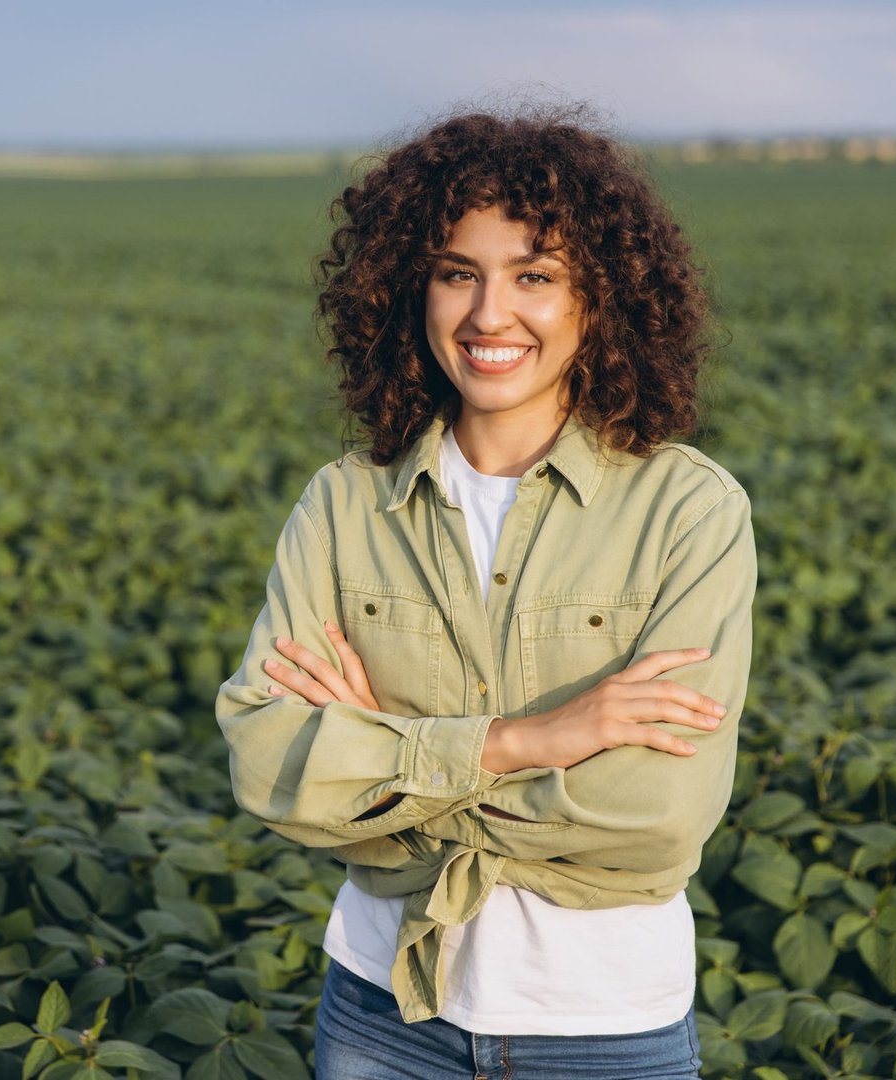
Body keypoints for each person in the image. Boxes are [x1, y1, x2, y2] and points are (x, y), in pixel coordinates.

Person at [215, 106, 756, 1080]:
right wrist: (526, 742)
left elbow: (656, 814)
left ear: (599, 297)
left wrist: (381, 769)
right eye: (457, 273)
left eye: (534, 277)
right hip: (380, 1013)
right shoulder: (345, 503)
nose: (488, 315)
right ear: (409, 288)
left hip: (606, 1031)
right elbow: (267, 763)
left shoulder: (688, 510)